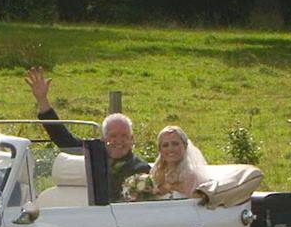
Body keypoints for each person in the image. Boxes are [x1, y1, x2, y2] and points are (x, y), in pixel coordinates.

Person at [25, 67, 150, 202]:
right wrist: (43, 100)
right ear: (103, 138)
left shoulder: (140, 168)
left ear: (132, 140)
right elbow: (64, 140)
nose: (118, 141)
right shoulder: (95, 153)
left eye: (124, 136)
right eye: (113, 136)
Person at [151, 125, 208, 197]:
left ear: (185, 145)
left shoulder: (191, 177)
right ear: (160, 150)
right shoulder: (156, 174)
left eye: (175, 144)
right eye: (165, 145)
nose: (170, 149)